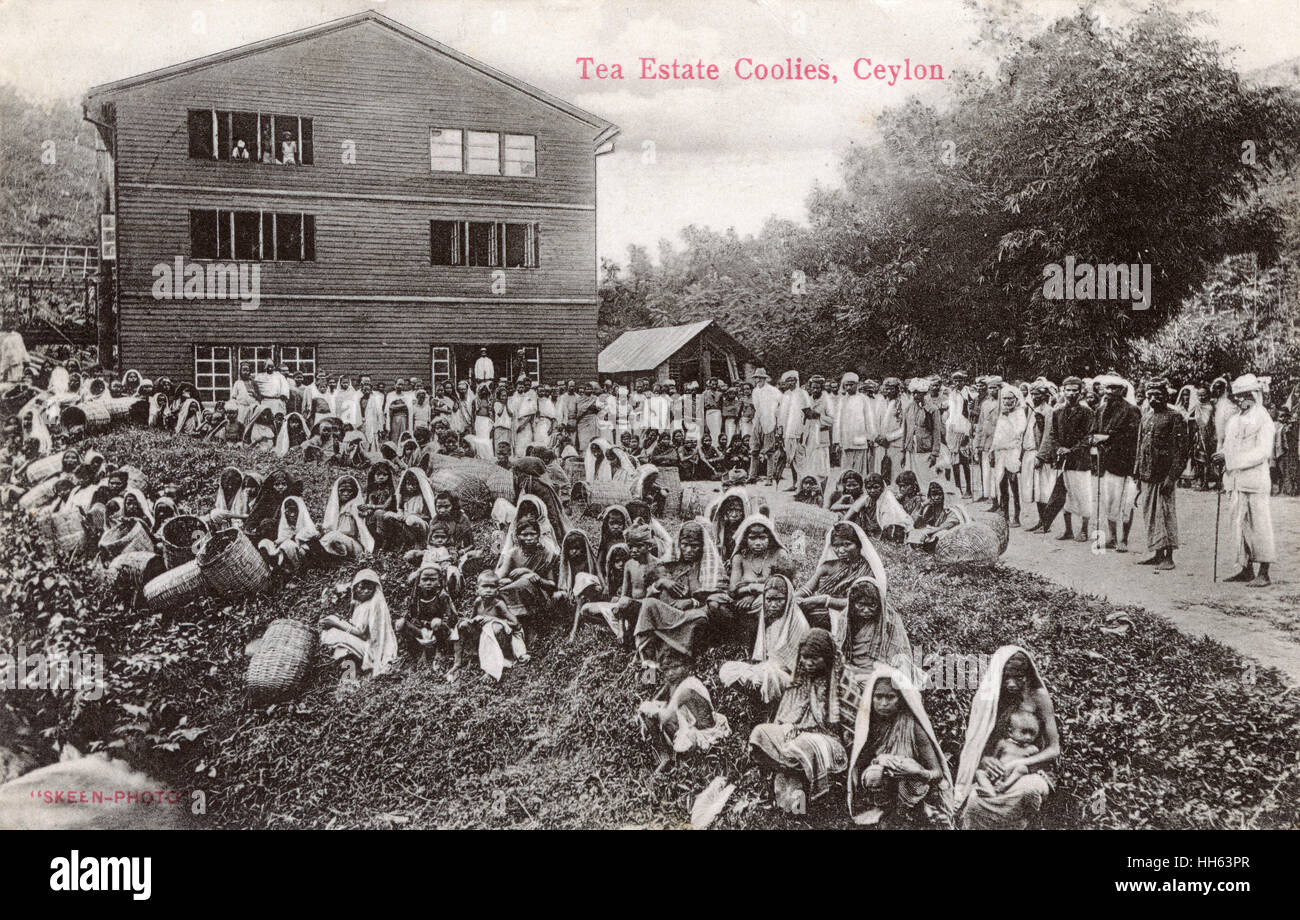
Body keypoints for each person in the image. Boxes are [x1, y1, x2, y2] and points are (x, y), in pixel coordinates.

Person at [956, 646, 1060, 829]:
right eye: (1006, 677)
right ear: (998, 674)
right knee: (974, 801)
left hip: (1032, 769)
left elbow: (1054, 749)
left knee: (1028, 792)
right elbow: (977, 742)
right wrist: (985, 760)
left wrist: (1021, 764)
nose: (1011, 684)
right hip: (998, 769)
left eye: (1018, 677)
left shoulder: (1039, 697)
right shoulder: (989, 698)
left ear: (1027, 675)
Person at [748, 629, 847, 814]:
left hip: (827, 739)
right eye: (804, 657)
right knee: (759, 733)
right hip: (795, 734)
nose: (808, 663)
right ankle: (793, 779)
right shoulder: (800, 678)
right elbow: (786, 712)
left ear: (827, 657)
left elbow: (850, 727)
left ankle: (802, 793)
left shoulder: (843, 681)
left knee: (802, 745)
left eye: (814, 659)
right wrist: (787, 726)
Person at [847, 665, 954, 827]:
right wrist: (881, 762)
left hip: (913, 783)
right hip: (883, 782)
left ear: (901, 698)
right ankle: (883, 807)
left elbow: (937, 772)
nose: (883, 703)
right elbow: (860, 764)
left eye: (890, 697)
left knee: (909, 774)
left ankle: (907, 811)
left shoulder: (913, 727)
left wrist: (917, 772)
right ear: (871, 697)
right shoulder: (869, 727)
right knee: (874, 774)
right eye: (878, 697)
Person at [1214, 373, 1276, 587]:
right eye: (1237, 396)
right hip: (1235, 480)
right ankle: (1245, 567)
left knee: (1259, 524)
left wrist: (1231, 460)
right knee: (1239, 525)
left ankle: (1264, 571)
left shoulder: (1263, 418)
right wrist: (1221, 455)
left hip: (1255, 480)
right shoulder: (1234, 420)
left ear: (1254, 395)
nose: (1240, 400)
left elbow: (1263, 451)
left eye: (1244, 396)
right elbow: (1228, 446)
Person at [632, 520, 721, 665]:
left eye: (694, 546)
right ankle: (648, 671)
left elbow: (716, 597)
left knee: (700, 619)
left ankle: (675, 656)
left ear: (702, 546)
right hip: (666, 612)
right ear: (679, 544)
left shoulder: (709, 567)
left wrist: (692, 601)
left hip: (689, 616)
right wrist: (661, 583)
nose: (689, 550)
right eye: (685, 545)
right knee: (648, 605)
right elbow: (649, 594)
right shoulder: (669, 564)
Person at [719, 574, 809, 703]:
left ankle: (771, 703)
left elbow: (796, 668)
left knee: (769, 676)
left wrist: (761, 673)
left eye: (779, 600)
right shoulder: (768, 622)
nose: (773, 605)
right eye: (769, 599)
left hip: (788, 677)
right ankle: (759, 699)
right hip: (767, 669)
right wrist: (755, 673)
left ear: (788, 599)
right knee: (727, 669)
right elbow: (763, 660)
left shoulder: (798, 623)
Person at [638, 648, 731, 772]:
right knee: (651, 708)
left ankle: (676, 761)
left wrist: (649, 711)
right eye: (666, 670)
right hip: (691, 726)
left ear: (686, 667)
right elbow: (657, 699)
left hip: (706, 734)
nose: (670, 673)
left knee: (648, 709)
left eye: (675, 667)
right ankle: (665, 757)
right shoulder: (673, 683)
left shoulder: (687, 687)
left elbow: (665, 718)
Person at [1134, 378, 1187, 571]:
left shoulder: (1175, 417)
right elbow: (1140, 446)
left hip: (1163, 476)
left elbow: (1181, 451)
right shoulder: (1146, 417)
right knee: (1150, 515)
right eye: (1150, 395)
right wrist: (1137, 473)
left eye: (1158, 395)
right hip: (1147, 474)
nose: (1154, 399)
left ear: (1166, 396)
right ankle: (1157, 554)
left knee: (1165, 514)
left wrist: (1171, 477)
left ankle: (1168, 557)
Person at [1036, 376, 1094, 541]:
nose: (1071, 394)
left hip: (1080, 461)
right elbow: (1052, 434)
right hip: (1062, 460)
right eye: (1068, 390)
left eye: (1075, 390)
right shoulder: (1058, 411)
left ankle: (1083, 530)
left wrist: (1071, 450)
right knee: (1064, 493)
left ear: (1081, 392)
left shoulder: (1087, 412)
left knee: (1083, 494)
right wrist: (1058, 449)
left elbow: (1088, 437)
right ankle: (1068, 530)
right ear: (1063, 391)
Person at [319, 569, 398, 683]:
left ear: (375, 589)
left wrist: (337, 623)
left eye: (369, 588)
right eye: (362, 587)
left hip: (371, 648)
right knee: (342, 646)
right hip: (363, 644)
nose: (365, 591)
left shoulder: (374, 604)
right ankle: (348, 675)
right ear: (355, 587)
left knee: (336, 635)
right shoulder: (359, 605)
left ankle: (349, 678)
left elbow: (362, 633)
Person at [1090, 375, 1140, 551]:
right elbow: (1093, 431)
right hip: (1108, 463)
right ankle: (1111, 537)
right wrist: (1094, 439)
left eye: (1115, 389)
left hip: (1127, 463)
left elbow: (1133, 437)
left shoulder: (1132, 410)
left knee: (1127, 502)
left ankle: (1124, 539)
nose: (1110, 392)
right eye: (1108, 388)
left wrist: (1109, 437)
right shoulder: (1100, 410)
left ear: (1123, 391)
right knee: (1109, 501)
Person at [397, 565, 461, 674]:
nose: (428, 583)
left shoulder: (442, 596)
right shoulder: (416, 597)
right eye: (425, 579)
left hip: (439, 630)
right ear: (419, 582)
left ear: (439, 581)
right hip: (422, 631)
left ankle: (439, 651)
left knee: (436, 622)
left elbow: (448, 619)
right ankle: (417, 653)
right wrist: (423, 628)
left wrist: (435, 625)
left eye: (432, 580)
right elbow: (412, 616)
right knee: (401, 623)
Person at [974, 710, 1041, 798]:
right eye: (1023, 732)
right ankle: (989, 791)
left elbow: (1033, 767)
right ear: (1010, 732)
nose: (1028, 737)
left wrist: (1038, 771)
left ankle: (1005, 786)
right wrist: (992, 770)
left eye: (1032, 733)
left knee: (1022, 768)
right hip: (999, 773)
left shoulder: (1032, 749)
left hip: (1013, 777)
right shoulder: (1003, 744)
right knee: (979, 773)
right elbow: (994, 759)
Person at [989, 385, 1027, 527]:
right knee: (1001, 483)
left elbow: (1019, 431)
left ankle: (1017, 516)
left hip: (1013, 452)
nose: (1007, 401)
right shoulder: (1003, 413)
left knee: (1014, 485)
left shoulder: (1019, 413)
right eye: (1004, 398)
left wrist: (1007, 417)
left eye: (1010, 398)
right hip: (1000, 452)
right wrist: (992, 450)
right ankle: (1004, 514)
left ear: (1016, 399)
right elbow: (997, 434)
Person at [834, 372, 876, 476]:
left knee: (860, 470)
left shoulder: (863, 399)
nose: (848, 387)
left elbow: (869, 420)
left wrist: (871, 437)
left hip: (860, 441)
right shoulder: (842, 400)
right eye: (846, 385)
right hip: (846, 441)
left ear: (857, 385)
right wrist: (837, 441)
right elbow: (837, 422)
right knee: (846, 470)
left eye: (851, 385)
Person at [749, 368, 782, 484]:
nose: (758, 380)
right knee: (754, 449)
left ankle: (769, 478)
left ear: (764, 378)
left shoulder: (773, 390)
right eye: (756, 378)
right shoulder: (755, 391)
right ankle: (752, 476)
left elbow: (781, 403)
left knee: (769, 451)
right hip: (758, 420)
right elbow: (756, 407)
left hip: (769, 421)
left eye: (760, 378)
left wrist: (776, 416)